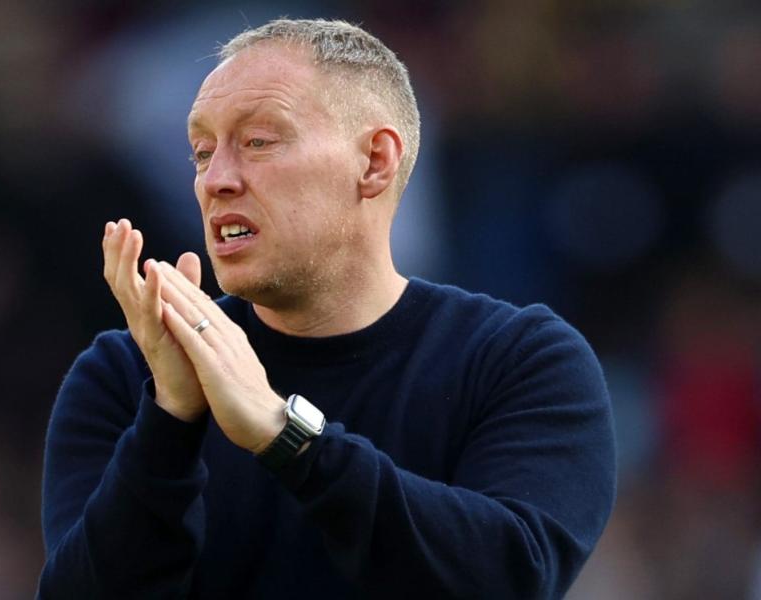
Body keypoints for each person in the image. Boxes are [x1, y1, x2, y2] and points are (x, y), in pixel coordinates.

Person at [38, 18, 616, 599]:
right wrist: (168, 426)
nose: (216, 180)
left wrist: (286, 436)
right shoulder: (125, 377)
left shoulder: (520, 362)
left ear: (374, 162)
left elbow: (509, 579)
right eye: (202, 152)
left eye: (258, 142)